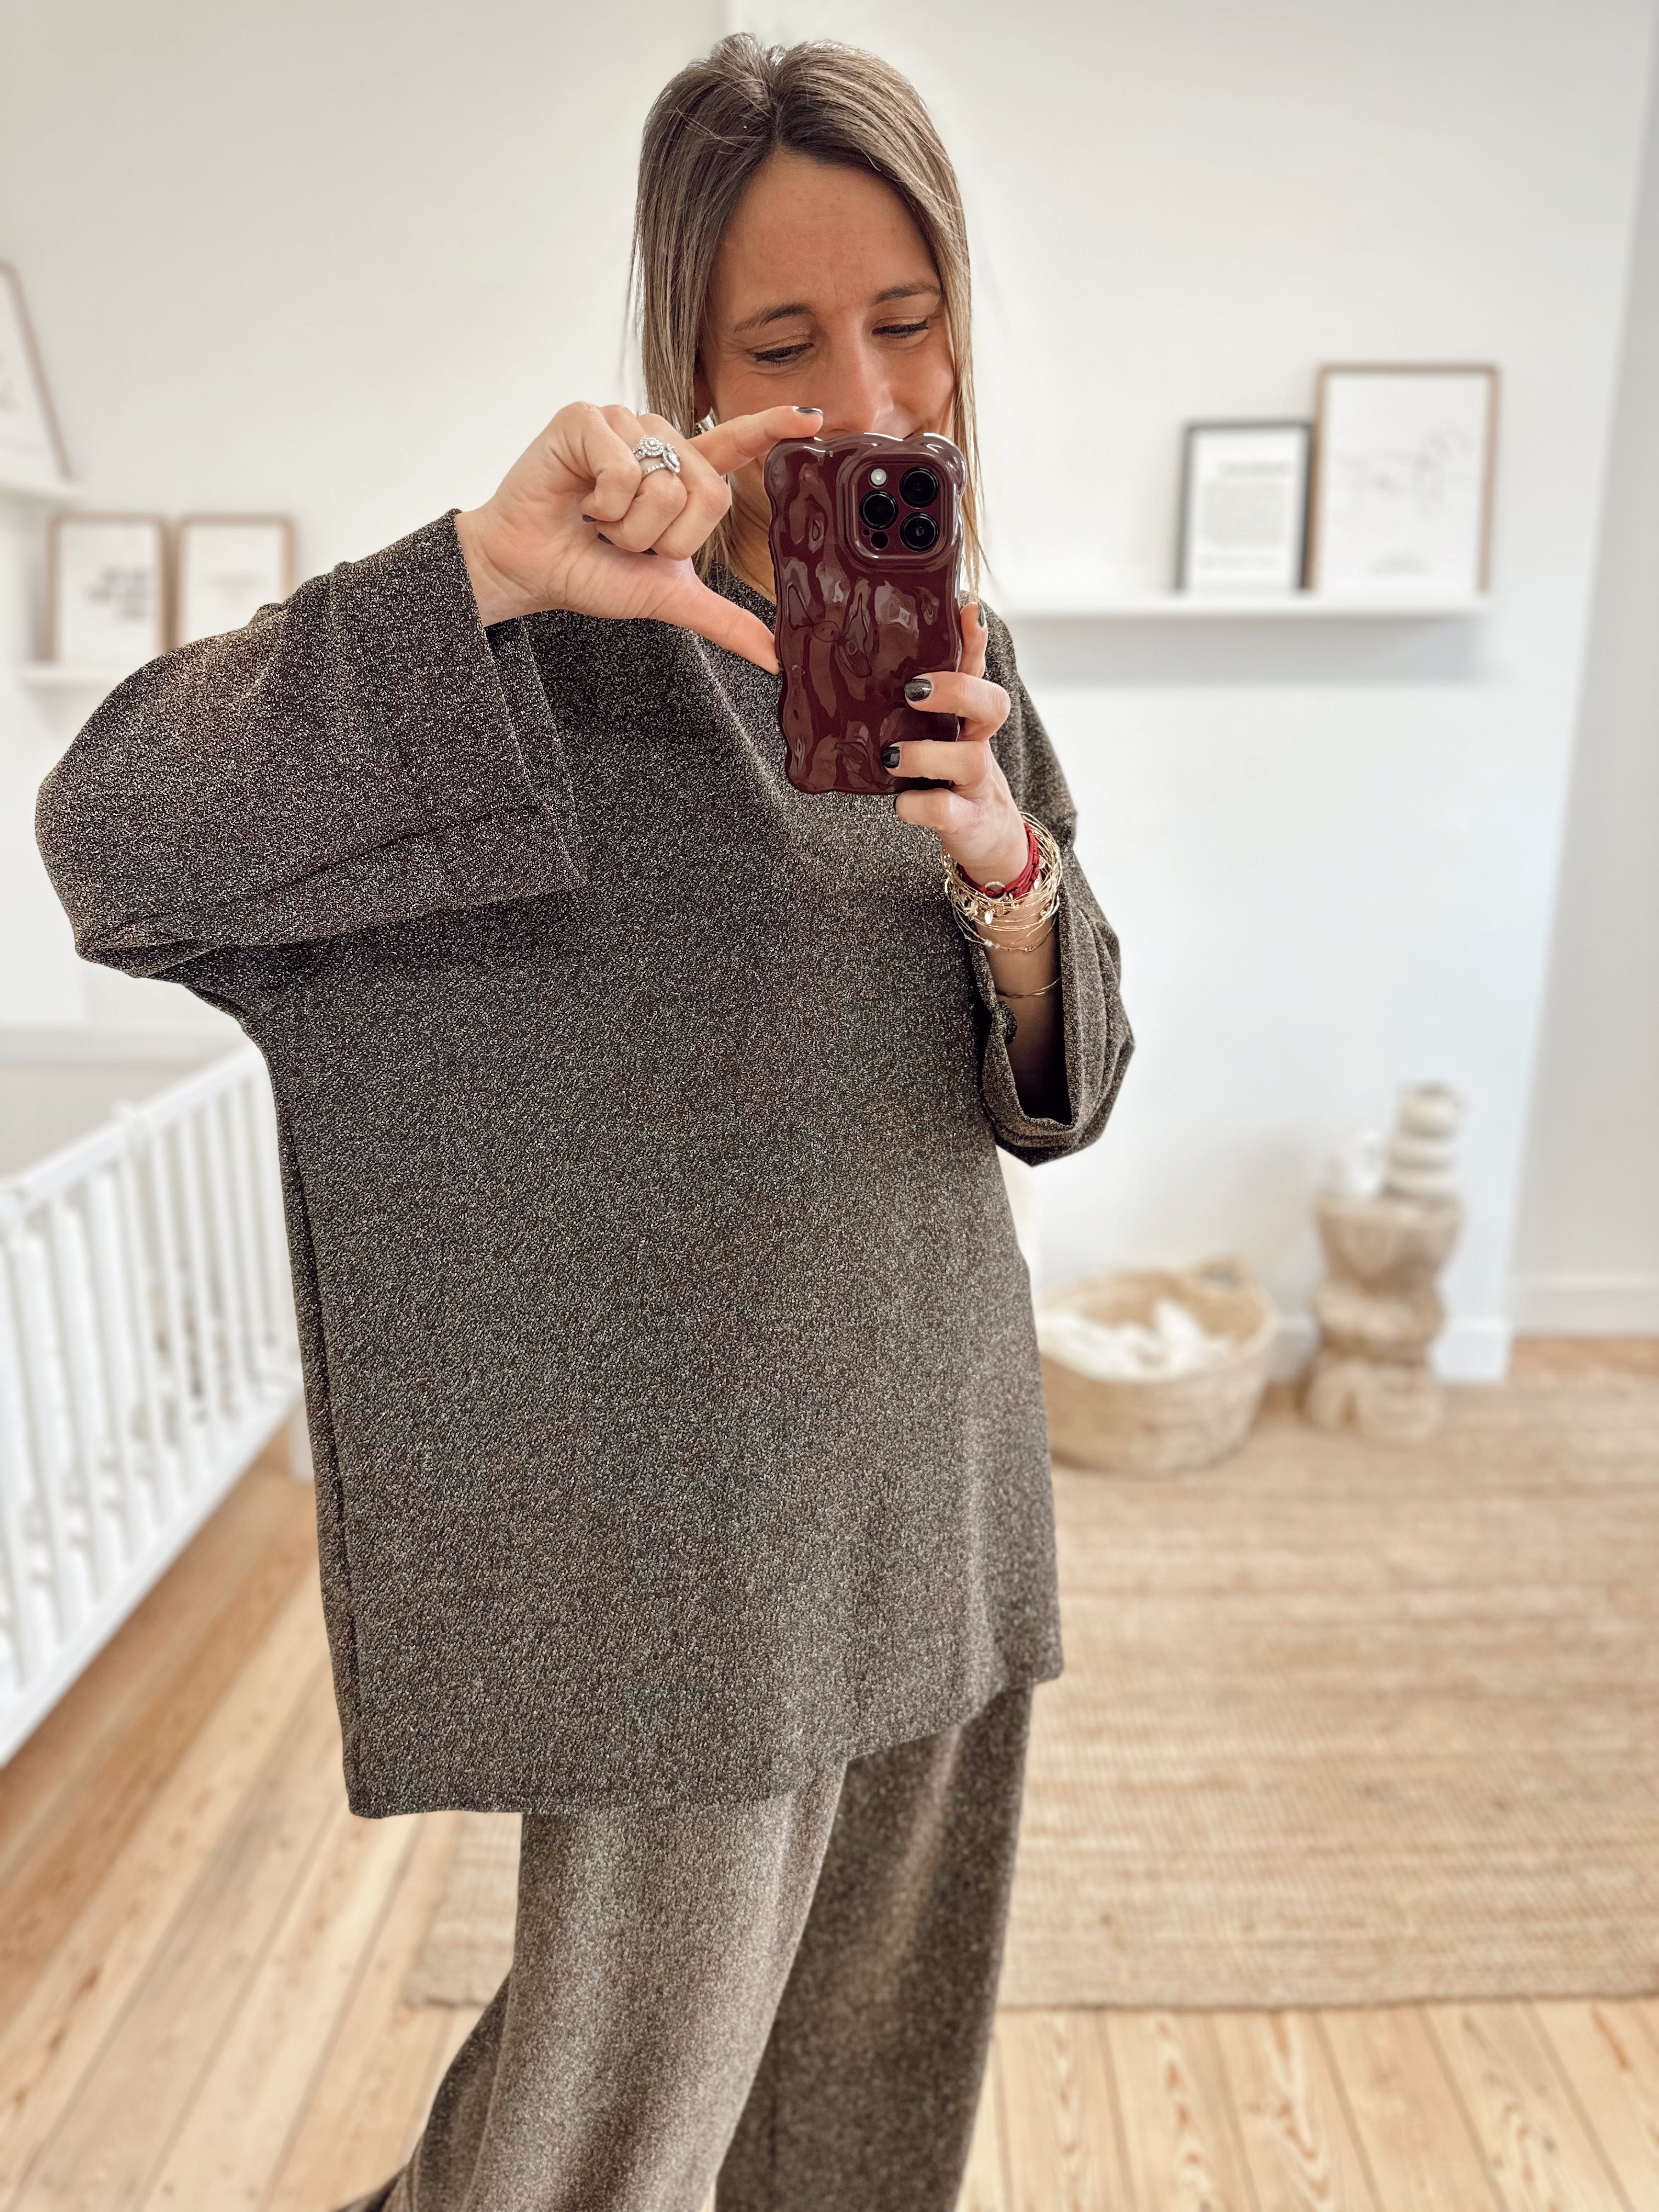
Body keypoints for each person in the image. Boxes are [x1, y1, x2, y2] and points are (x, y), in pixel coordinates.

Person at [35, 32, 1132, 2212]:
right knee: (592, 2147)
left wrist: (1006, 865)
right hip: (685, 1566)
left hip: (936, 1481)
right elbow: (115, 843)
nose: (870, 397)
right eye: (784, 343)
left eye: (910, 323)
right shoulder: (545, 664)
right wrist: (477, 573)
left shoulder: (963, 653)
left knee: (864, 2109)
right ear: (683, 353)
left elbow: (1060, 1092)